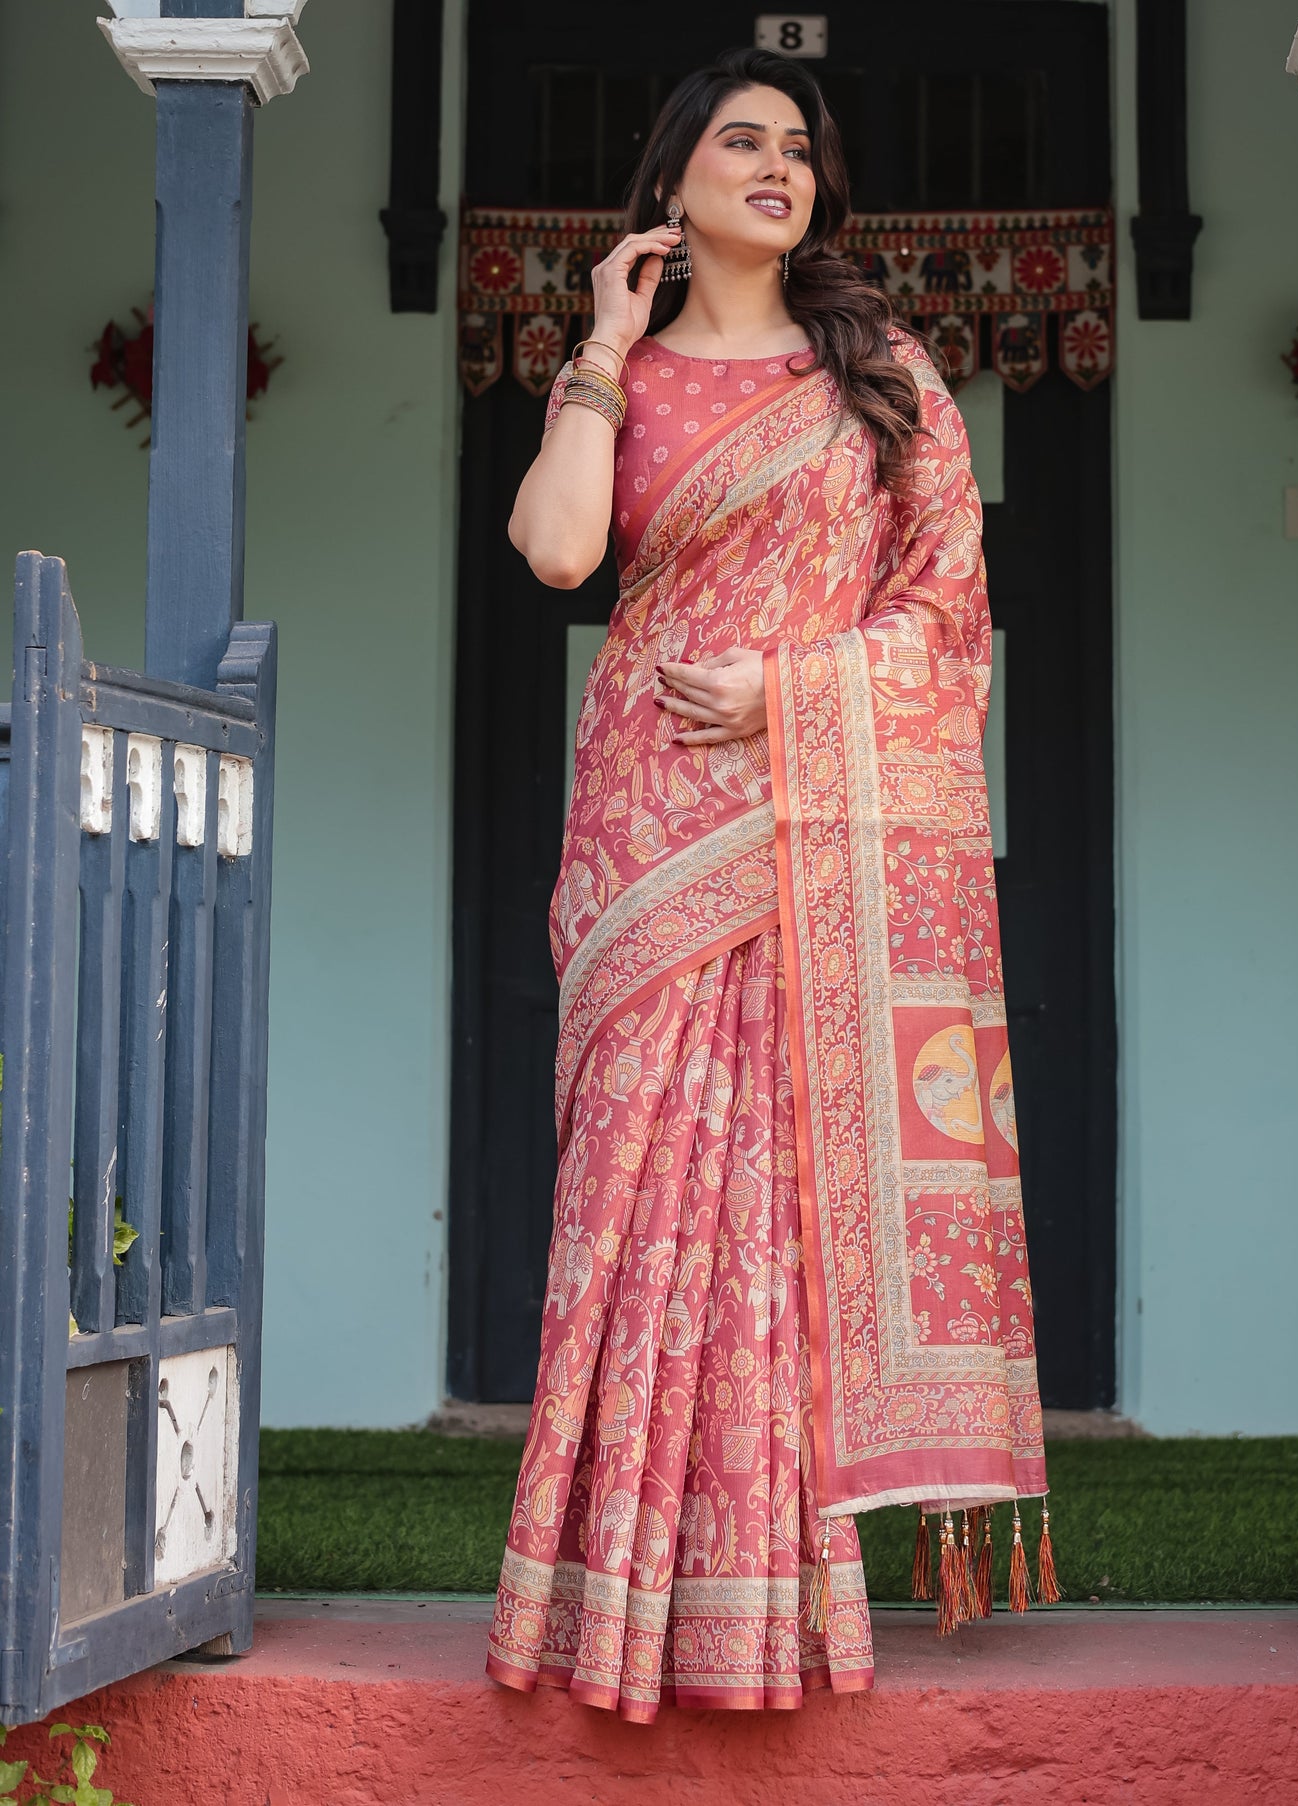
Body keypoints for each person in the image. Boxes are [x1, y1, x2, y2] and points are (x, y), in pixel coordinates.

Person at [485, 45, 1051, 1725]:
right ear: (675, 180)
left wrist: (795, 694)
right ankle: (612, 1601)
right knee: (633, 1204)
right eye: (741, 142)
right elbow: (560, 554)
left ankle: (770, 1611)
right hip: (648, 829)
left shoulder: (882, 379)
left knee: (773, 1218)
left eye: (797, 148)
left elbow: (950, 619)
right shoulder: (628, 377)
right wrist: (597, 340)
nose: (778, 167)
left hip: (808, 828)